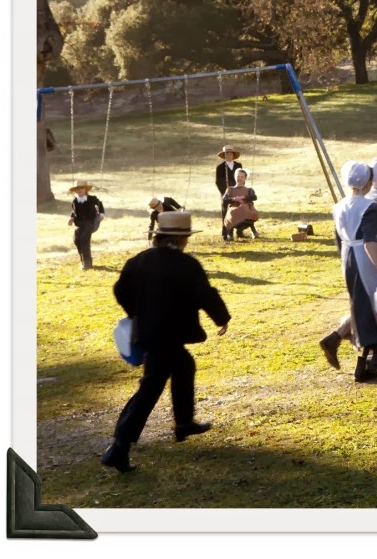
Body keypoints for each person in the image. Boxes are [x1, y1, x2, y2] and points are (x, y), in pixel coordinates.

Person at [101, 211, 231, 473]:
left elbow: (120, 290)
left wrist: (137, 312)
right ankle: (119, 446)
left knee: (184, 366)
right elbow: (205, 293)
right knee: (150, 388)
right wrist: (221, 318)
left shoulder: (139, 261)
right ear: (180, 238)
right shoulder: (185, 264)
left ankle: (183, 424)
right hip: (170, 334)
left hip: (149, 332)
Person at [319, 158, 377, 369]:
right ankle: (374, 356)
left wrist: (345, 262)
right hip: (364, 258)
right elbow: (370, 241)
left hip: (348, 256)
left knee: (363, 303)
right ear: (368, 181)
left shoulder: (339, 206)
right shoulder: (368, 205)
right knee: (375, 303)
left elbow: (339, 240)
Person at [67, 181, 105, 270]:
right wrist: (71, 218)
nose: (79, 190)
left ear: (85, 190)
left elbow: (100, 205)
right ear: (75, 191)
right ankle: (83, 261)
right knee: (76, 240)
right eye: (77, 189)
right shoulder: (75, 201)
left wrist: (101, 214)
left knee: (84, 239)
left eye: (81, 188)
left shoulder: (92, 198)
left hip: (90, 222)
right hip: (79, 224)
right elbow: (74, 212)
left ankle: (87, 263)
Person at [214, 145, 243, 242]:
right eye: (227, 154)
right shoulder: (220, 167)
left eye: (231, 154)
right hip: (227, 194)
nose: (229, 155)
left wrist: (240, 190)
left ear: (233, 155)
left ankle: (239, 232)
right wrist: (225, 193)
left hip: (238, 193)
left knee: (239, 212)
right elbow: (218, 182)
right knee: (226, 213)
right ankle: (225, 233)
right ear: (224, 155)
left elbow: (242, 178)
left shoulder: (238, 166)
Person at [222, 168, 259, 241]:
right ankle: (230, 234)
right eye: (238, 176)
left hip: (246, 207)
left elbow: (254, 197)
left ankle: (253, 230)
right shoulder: (230, 189)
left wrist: (243, 197)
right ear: (235, 177)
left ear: (245, 178)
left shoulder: (249, 189)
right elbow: (224, 199)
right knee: (233, 211)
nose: (239, 178)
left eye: (242, 177)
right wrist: (234, 199)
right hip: (234, 207)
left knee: (244, 209)